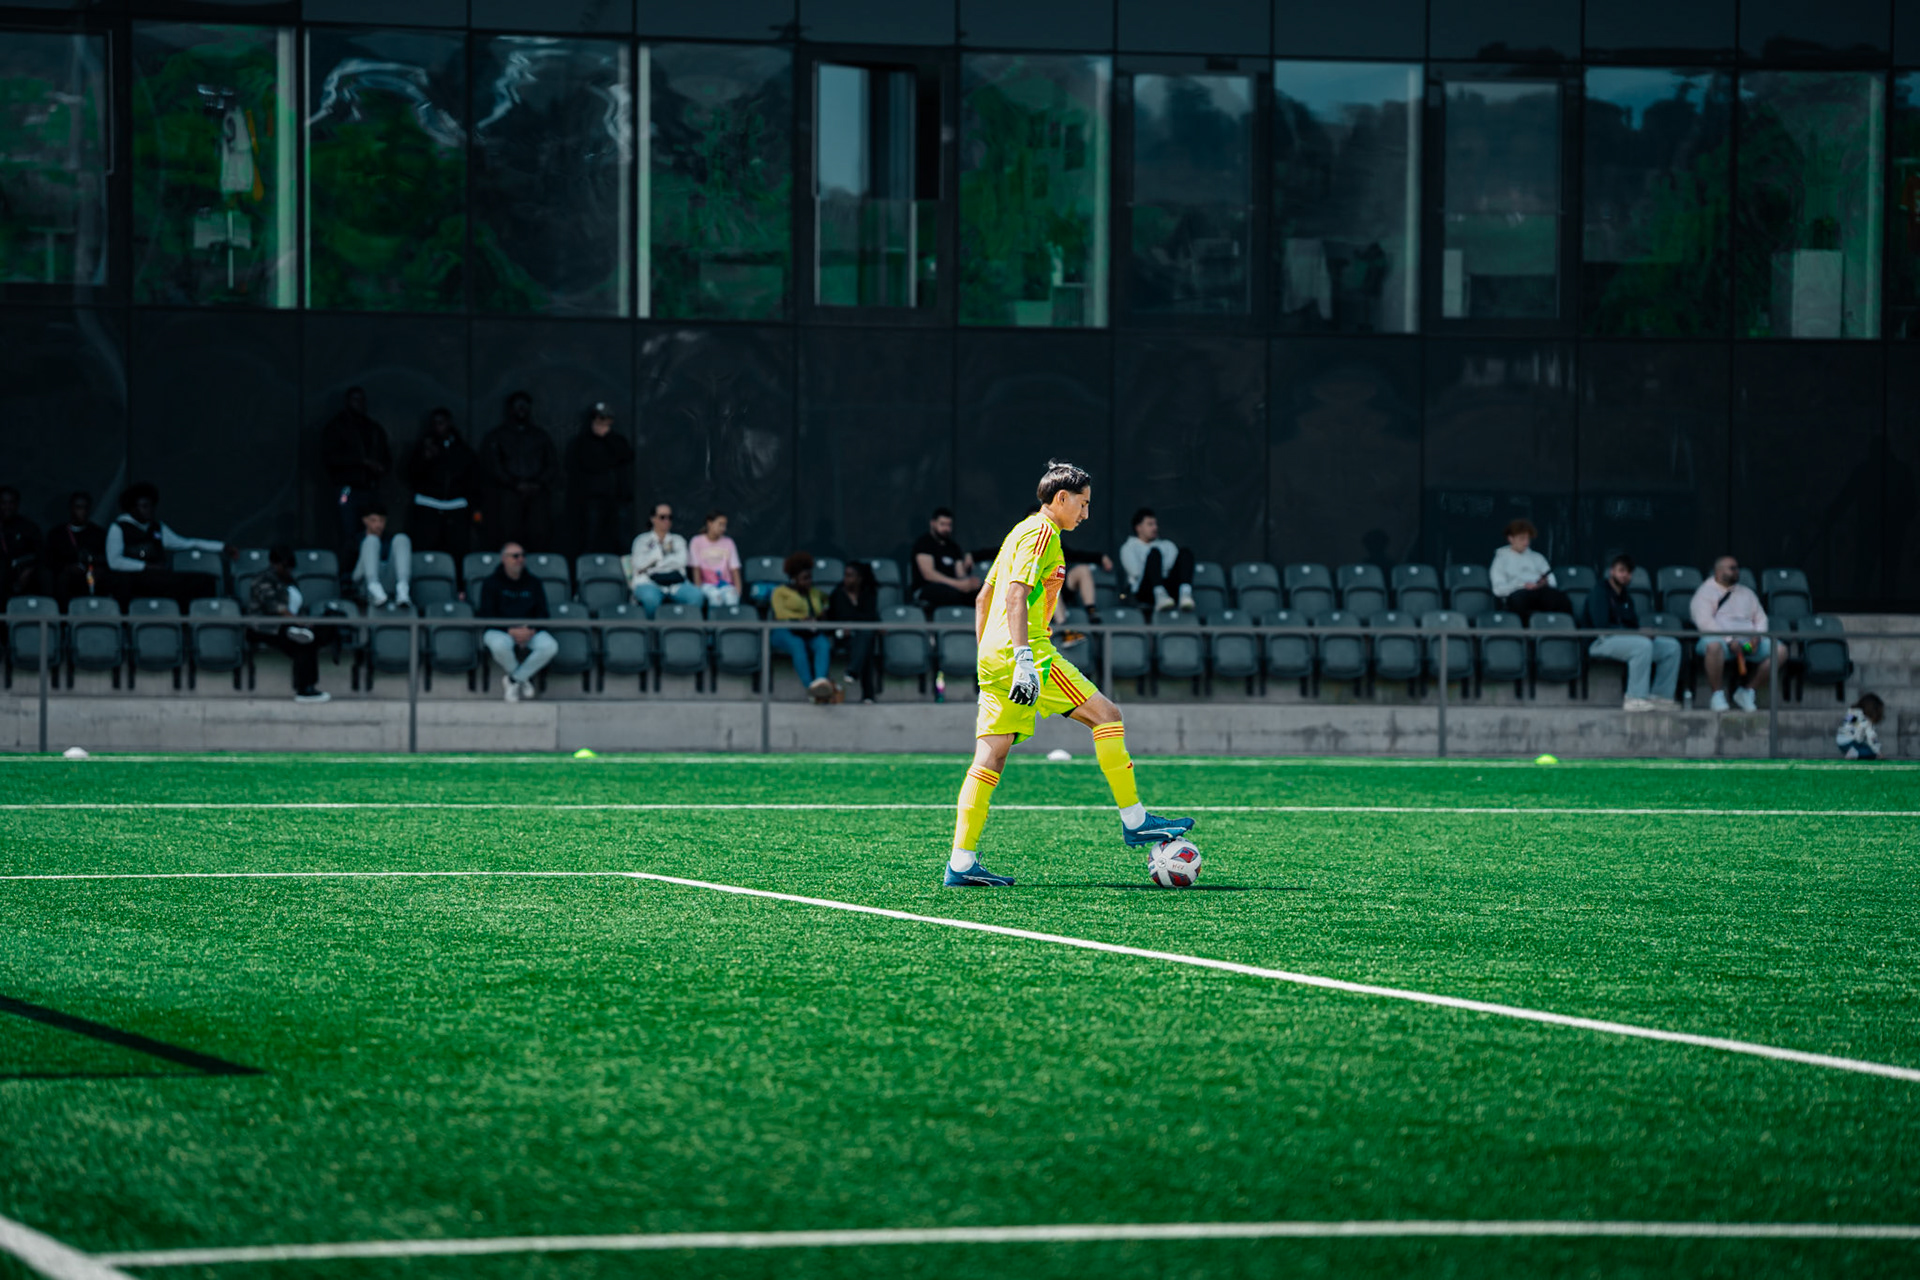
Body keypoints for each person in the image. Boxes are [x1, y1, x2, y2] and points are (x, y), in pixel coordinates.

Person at [946, 459, 1194, 888]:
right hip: (1028, 655)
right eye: (1082, 504)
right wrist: (1023, 656)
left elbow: (983, 598)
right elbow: (1015, 594)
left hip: (995, 657)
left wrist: (990, 655)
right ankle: (1134, 820)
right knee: (1108, 716)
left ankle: (962, 862)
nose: (1086, 513)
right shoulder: (1043, 532)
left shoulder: (1019, 530)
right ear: (1061, 499)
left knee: (990, 758)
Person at [1577, 553, 1680, 712]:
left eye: (1629, 572)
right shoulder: (1600, 592)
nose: (1625, 575)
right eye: (1621, 570)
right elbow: (1601, 626)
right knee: (1642, 645)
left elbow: (1632, 625)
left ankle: (1661, 697)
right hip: (1598, 641)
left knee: (1671, 647)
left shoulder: (1626, 597)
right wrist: (1637, 634)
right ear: (1612, 571)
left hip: (1624, 640)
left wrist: (1641, 632)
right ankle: (1635, 698)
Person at [104, 482, 230, 607]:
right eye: (144, 506)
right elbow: (114, 562)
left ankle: (198, 619)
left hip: (157, 577)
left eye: (152, 505)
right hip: (132, 579)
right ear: (132, 508)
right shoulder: (118, 528)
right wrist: (146, 566)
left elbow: (187, 544)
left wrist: (222, 546)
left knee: (203, 581)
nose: (150, 510)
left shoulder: (158, 527)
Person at [244, 544, 331, 704]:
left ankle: (308, 686)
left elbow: (298, 607)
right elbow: (272, 605)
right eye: (283, 566)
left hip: (290, 625)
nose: (287, 570)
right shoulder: (262, 579)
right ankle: (304, 690)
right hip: (266, 627)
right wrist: (296, 620)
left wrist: (304, 621)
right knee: (302, 643)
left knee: (309, 640)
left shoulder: (290, 581)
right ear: (274, 563)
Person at [475, 541, 557, 703]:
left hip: (529, 630)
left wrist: (531, 630)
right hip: (500, 630)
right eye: (515, 556)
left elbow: (543, 613)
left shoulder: (534, 582)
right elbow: (487, 614)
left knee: (550, 646)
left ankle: (514, 679)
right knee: (499, 645)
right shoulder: (490, 582)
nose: (520, 559)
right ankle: (522, 679)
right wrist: (509, 630)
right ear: (504, 558)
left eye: (522, 556)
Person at [1690, 555, 1771, 713]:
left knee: (1779, 650)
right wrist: (1729, 640)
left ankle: (1747, 692)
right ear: (1718, 571)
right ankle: (1717, 695)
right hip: (1722, 644)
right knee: (1713, 646)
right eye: (1732, 568)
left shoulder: (1747, 593)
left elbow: (1761, 617)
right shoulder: (1704, 592)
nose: (1736, 571)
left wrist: (1757, 637)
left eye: (1737, 568)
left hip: (1747, 646)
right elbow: (1705, 623)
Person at [321, 387, 392, 564]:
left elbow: (386, 457)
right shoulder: (337, 427)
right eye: (355, 400)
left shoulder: (373, 429)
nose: (359, 404)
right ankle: (347, 577)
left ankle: (368, 574)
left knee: (372, 535)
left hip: (370, 489)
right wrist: (361, 462)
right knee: (348, 534)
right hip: (348, 489)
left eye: (362, 400)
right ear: (347, 402)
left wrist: (380, 467)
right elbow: (330, 458)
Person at [481, 391, 557, 550]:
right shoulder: (498, 436)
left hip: (537, 494)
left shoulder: (540, 436)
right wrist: (514, 484)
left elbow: (552, 464)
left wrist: (537, 484)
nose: (521, 409)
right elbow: (494, 465)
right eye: (517, 405)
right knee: (509, 536)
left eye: (524, 405)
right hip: (508, 495)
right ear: (510, 409)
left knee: (538, 535)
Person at [406, 408, 483, 564]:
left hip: (456, 506)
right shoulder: (422, 448)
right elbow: (410, 474)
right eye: (435, 423)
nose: (438, 426)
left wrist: (470, 503)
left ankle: (458, 587)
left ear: (449, 423)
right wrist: (426, 459)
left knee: (457, 552)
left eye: (441, 423)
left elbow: (473, 478)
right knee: (426, 551)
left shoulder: (462, 449)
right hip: (428, 504)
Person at [565, 402, 635, 556]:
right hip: (592, 499)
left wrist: (607, 437)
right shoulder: (582, 443)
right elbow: (588, 464)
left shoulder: (617, 440)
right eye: (599, 420)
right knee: (590, 538)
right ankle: (586, 574)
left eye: (606, 420)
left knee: (621, 539)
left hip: (617, 499)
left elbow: (627, 456)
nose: (602, 424)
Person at [771, 552, 835, 702]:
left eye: (810, 578)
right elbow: (780, 613)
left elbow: (827, 600)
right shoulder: (780, 591)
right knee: (797, 645)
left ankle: (820, 681)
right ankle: (811, 688)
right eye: (805, 579)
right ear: (794, 579)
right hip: (785, 630)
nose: (809, 582)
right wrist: (801, 619)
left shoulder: (814, 592)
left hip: (808, 631)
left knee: (823, 644)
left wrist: (824, 609)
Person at [629, 501, 704, 617]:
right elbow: (638, 564)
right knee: (650, 599)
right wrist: (659, 554)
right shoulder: (641, 540)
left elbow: (681, 562)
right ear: (653, 519)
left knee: (696, 595)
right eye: (662, 517)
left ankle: (687, 630)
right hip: (648, 582)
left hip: (676, 583)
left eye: (670, 517)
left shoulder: (678, 540)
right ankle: (653, 633)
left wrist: (654, 563)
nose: (667, 521)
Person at [1489, 519, 1573, 620]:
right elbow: (1498, 589)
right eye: (1522, 539)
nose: (1526, 542)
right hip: (1517, 594)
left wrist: (1543, 583)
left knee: (1560, 599)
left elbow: (1551, 580)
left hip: (1539, 593)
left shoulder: (1537, 557)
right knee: (1519, 600)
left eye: (1528, 539)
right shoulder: (1501, 559)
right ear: (1511, 538)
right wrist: (1522, 585)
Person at [1119, 508, 1195, 613]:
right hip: (1145, 591)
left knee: (1185, 553)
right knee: (1154, 553)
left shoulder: (1167, 545)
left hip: (1169, 589)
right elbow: (1136, 572)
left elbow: (1173, 568)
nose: (1155, 528)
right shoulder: (1128, 547)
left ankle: (1185, 595)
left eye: (1155, 524)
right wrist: (1154, 565)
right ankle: (1159, 595)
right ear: (1139, 528)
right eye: (1150, 524)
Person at [40, 491, 106, 606]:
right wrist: (67, 568)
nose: (83, 512)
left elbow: (105, 558)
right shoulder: (57, 533)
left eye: (86, 508)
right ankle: (63, 619)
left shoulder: (98, 533)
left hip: (91, 575)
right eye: (78, 508)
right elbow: (49, 559)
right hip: (66, 577)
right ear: (71, 509)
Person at [828, 559, 880, 703]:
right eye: (845, 575)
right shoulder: (838, 593)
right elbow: (836, 616)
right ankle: (868, 694)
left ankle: (853, 671)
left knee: (865, 641)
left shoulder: (868, 594)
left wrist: (854, 622)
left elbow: (870, 616)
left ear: (859, 578)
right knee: (866, 642)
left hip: (861, 634)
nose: (846, 579)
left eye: (850, 576)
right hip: (841, 635)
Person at [911, 508, 982, 609]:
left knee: (981, 594)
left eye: (949, 525)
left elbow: (960, 574)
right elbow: (929, 575)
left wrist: (969, 582)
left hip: (954, 589)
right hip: (928, 589)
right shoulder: (924, 544)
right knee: (946, 593)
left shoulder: (953, 547)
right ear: (933, 523)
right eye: (942, 524)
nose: (946, 528)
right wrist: (958, 584)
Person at [351, 502, 412, 608]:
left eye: (382, 521)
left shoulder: (389, 540)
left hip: (388, 583)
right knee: (371, 540)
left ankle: (403, 588)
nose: (378, 525)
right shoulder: (354, 541)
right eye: (374, 520)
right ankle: (374, 586)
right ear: (365, 521)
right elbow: (348, 573)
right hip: (363, 582)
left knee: (402, 539)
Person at [688, 510, 742, 609]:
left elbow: (735, 569)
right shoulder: (696, 541)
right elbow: (696, 569)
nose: (723, 528)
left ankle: (729, 624)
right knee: (715, 597)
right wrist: (698, 589)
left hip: (726, 584)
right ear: (709, 523)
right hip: (706, 585)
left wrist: (738, 591)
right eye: (720, 524)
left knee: (732, 596)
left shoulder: (729, 542)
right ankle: (715, 623)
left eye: (725, 525)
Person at [0, 485, 42, 609]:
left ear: (17, 504)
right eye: (3, 503)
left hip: (24, 571)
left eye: (11, 503)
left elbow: (40, 554)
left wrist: (28, 570)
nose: (7, 507)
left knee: (43, 575)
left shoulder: (28, 527)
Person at [1836, 693, 1885, 760]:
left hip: (1840, 741)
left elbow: (1847, 724)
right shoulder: (1866, 721)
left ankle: (1854, 753)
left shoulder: (1851, 712)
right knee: (1871, 752)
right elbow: (1871, 737)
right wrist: (1877, 751)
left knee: (1865, 747)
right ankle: (1855, 754)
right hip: (1850, 742)